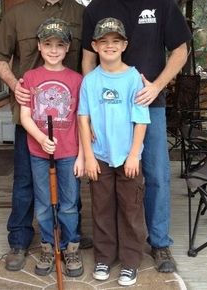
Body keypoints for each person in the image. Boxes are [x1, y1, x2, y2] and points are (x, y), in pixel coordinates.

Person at [81, 0, 192, 273]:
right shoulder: (97, 8)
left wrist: (157, 86)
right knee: (107, 179)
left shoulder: (161, 2)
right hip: (107, 110)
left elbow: (181, 50)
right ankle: (112, 245)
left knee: (155, 175)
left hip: (148, 108)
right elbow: (87, 59)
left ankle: (158, 243)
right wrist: (91, 107)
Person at [0, 0, 88, 272]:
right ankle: (19, 240)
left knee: (70, 183)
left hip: (69, 124)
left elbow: (94, 59)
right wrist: (14, 84)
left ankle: (70, 236)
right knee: (26, 183)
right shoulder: (18, 14)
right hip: (28, 119)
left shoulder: (82, 15)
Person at [78, 17, 150, 286]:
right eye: (104, 41)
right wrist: (87, 155)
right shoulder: (90, 81)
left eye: (115, 41)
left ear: (124, 45)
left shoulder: (133, 77)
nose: (110, 46)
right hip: (100, 157)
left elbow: (141, 119)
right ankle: (104, 258)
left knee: (131, 210)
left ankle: (130, 262)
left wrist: (134, 154)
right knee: (102, 209)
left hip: (128, 156)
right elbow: (83, 119)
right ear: (95, 45)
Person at [20, 17, 84, 277]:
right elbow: (25, 116)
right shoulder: (30, 76)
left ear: (68, 48)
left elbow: (82, 120)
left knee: (69, 203)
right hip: (38, 153)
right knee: (44, 204)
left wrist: (81, 156)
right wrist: (41, 138)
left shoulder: (77, 79)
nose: (54, 50)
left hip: (69, 153)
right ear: (39, 46)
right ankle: (48, 245)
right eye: (48, 44)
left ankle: (71, 247)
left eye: (60, 44)